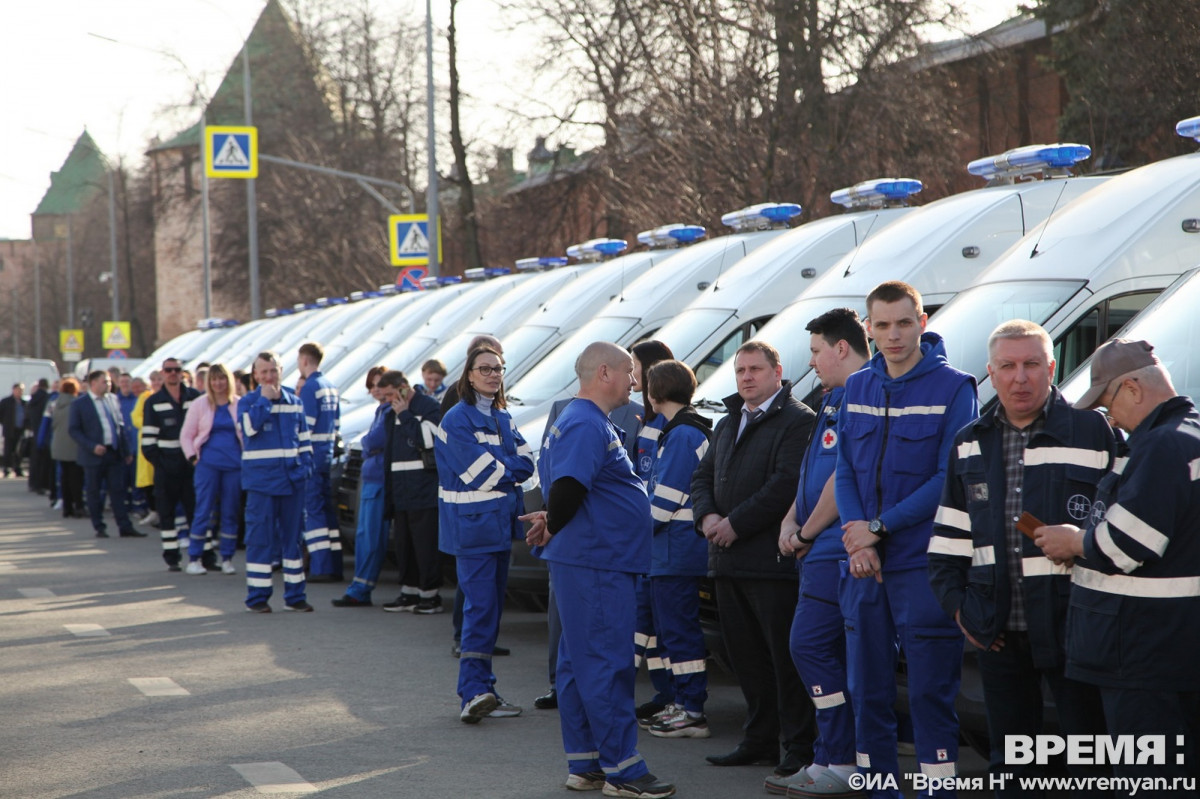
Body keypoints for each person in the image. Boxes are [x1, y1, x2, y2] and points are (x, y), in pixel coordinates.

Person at [927, 320, 1113, 794]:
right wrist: (959, 607)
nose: (1020, 377)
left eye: (1032, 364)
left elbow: (1125, 530)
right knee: (1013, 769)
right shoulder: (969, 441)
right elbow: (949, 539)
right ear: (991, 373)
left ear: (1052, 368)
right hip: (998, 635)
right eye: (1007, 366)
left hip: (1076, 631)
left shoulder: (1095, 432)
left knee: (1088, 761)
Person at [1036, 339, 1200, 788]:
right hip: (1170, 645)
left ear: (1132, 388)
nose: (1109, 418)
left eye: (1108, 402)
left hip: (1140, 652)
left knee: (1150, 776)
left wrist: (1074, 542)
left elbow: (1126, 544)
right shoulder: (1189, 433)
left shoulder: (1161, 445)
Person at [835, 281, 977, 793]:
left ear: (922, 322)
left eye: (903, 323)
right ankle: (877, 785)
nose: (893, 335)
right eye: (882, 325)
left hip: (922, 562)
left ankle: (940, 787)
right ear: (868, 329)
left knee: (929, 691)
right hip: (862, 562)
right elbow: (845, 468)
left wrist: (876, 530)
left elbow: (948, 478)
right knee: (867, 688)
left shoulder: (954, 388)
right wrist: (858, 540)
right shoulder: (857, 386)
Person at [523, 341, 675, 798]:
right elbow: (568, 489)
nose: (636, 381)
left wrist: (553, 521)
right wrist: (554, 521)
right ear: (604, 372)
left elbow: (568, 492)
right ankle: (624, 771)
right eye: (630, 372)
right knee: (606, 664)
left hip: (592, 559)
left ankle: (587, 763)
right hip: (597, 562)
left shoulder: (584, 419)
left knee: (577, 664)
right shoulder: (586, 423)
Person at [691, 340, 817, 777]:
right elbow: (702, 476)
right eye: (740, 370)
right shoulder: (728, 422)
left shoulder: (799, 421)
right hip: (725, 563)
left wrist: (734, 524)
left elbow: (787, 485)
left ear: (777, 371)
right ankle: (759, 741)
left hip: (772, 566)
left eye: (755, 370)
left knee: (785, 660)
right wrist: (706, 515)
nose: (746, 377)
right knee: (746, 659)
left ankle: (799, 747)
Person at [767, 308, 871, 797]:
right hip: (818, 545)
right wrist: (791, 518)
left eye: (815, 352)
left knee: (809, 646)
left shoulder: (861, 394)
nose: (812, 363)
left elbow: (842, 477)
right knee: (819, 650)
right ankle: (828, 756)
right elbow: (814, 472)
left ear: (841, 348)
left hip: (835, 548)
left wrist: (806, 533)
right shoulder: (832, 398)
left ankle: (843, 759)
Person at [434, 345, 533, 723]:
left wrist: (506, 466)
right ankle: (473, 692)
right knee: (480, 610)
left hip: (495, 525)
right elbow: (484, 474)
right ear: (470, 375)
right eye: (485, 369)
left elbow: (529, 462)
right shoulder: (457, 420)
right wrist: (509, 467)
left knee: (489, 611)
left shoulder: (502, 416)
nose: (494, 374)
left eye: (499, 369)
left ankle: (484, 690)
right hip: (473, 527)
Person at [640, 359, 713, 740]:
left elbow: (663, 502)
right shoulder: (682, 431)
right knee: (670, 633)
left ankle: (692, 710)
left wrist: (632, 535)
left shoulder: (682, 435)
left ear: (654, 395)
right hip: (669, 552)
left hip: (674, 552)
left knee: (680, 632)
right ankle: (681, 702)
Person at [240, 351, 314, 613]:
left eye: (273, 370)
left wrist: (305, 470)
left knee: (293, 540)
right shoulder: (248, 402)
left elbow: (304, 441)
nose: (269, 376)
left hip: (293, 482)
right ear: (256, 375)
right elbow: (250, 429)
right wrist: (264, 401)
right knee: (260, 540)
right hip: (261, 484)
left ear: (281, 371)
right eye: (264, 372)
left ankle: (295, 597)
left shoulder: (295, 402)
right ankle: (258, 599)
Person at [379, 370, 444, 613]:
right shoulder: (391, 412)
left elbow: (427, 440)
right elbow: (389, 456)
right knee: (404, 545)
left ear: (404, 387)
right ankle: (409, 592)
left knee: (425, 545)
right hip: (401, 490)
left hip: (424, 489)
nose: (386, 400)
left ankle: (430, 596)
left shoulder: (427, 406)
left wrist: (405, 414)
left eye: (390, 394)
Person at [333, 366, 390, 607]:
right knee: (364, 535)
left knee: (371, 536)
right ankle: (358, 587)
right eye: (372, 385)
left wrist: (367, 444)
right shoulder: (381, 410)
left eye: (380, 384)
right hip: (371, 480)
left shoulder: (389, 413)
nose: (376, 390)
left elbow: (374, 441)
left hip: (378, 481)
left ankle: (361, 589)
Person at [180, 363, 243, 576]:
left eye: (222, 378)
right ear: (209, 382)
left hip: (234, 466)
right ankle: (194, 558)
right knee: (203, 510)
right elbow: (186, 435)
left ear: (228, 380)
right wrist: (192, 458)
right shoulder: (199, 404)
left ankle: (227, 558)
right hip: (207, 465)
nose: (218, 383)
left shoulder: (239, 404)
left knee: (230, 511)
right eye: (214, 379)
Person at [68, 371, 145, 539]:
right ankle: (99, 526)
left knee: (118, 491)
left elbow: (120, 425)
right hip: (93, 455)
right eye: (105, 381)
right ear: (93, 383)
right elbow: (74, 430)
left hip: (114, 453)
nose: (109, 384)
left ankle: (125, 526)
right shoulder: (80, 404)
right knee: (94, 492)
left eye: (109, 381)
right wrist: (92, 446)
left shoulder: (112, 399)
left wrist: (126, 450)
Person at [142, 357, 201, 571]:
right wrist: (162, 464)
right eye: (169, 370)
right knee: (166, 514)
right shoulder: (153, 401)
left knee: (197, 512)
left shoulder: (195, 398)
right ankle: (172, 556)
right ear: (163, 373)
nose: (173, 373)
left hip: (191, 467)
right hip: (166, 469)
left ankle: (203, 555)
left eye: (176, 370)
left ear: (182, 372)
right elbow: (148, 443)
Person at [297, 341, 343, 582]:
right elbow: (336, 424)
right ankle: (334, 564)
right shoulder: (330, 386)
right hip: (326, 454)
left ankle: (321, 567)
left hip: (312, 455)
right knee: (327, 510)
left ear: (304, 360)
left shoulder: (310, 387)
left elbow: (305, 427)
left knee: (313, 511)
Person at [50, 378, 84, 519]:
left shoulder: (56, 404)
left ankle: (67, 507)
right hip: (73, 445)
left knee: (64, 477)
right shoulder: (76, 404)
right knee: (76, 478)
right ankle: (78, 506)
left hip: (58, 444)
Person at [131, 371, 161, 528]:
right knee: (147, 481)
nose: (156, 383)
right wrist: (151, 425)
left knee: (161, 480)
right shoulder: (145, 397)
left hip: (162, 443)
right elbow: (135, 417)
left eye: (159, 380)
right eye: (153, 380)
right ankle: (153, 511)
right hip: (146, 441)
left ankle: (161, 512)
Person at [25, 378, 50, 494]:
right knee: (43, 461)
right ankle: (40, 484)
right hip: (43, 433)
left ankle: (32, 483)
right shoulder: (46, 398)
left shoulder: (32, 399)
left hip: (33, 432)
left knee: (34, 460)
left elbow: (27, 416)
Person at [1, 382, 27, 478]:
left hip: (20, 430)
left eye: (21, 390)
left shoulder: (24, 403)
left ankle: (17, 468)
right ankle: (6, 468)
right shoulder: (6, 401)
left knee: (18, 451)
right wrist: (5, 423)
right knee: (8, 450)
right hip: (9, 430)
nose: (20, 392)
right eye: (18, 390)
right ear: (13, 390)